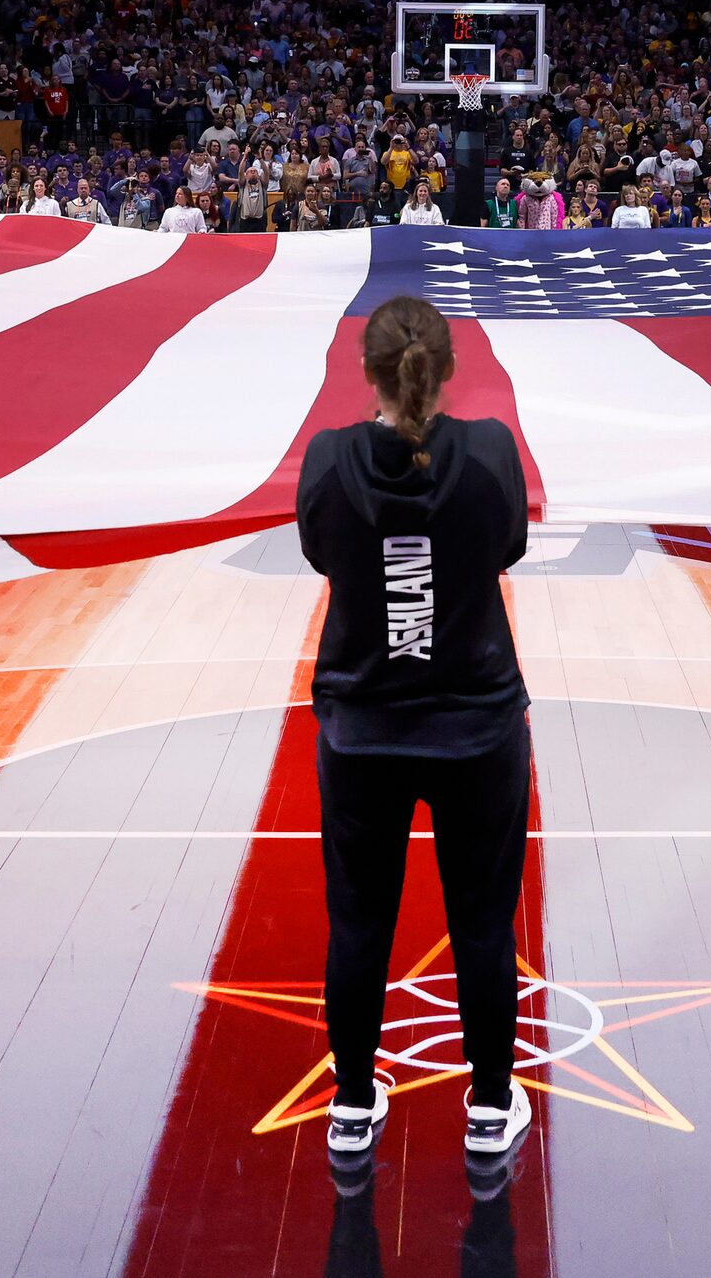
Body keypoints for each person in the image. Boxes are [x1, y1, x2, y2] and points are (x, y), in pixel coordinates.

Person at [293, 297, 537, 1169]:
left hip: (364, 731)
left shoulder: (328, 459)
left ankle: (353, 1104)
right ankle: (489, 1104)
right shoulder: (491, 453)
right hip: (475, 726)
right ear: (447, 369)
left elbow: (323, 555)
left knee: (358, 920)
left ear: (366, 372)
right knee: (480, 924)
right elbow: (504, 546)